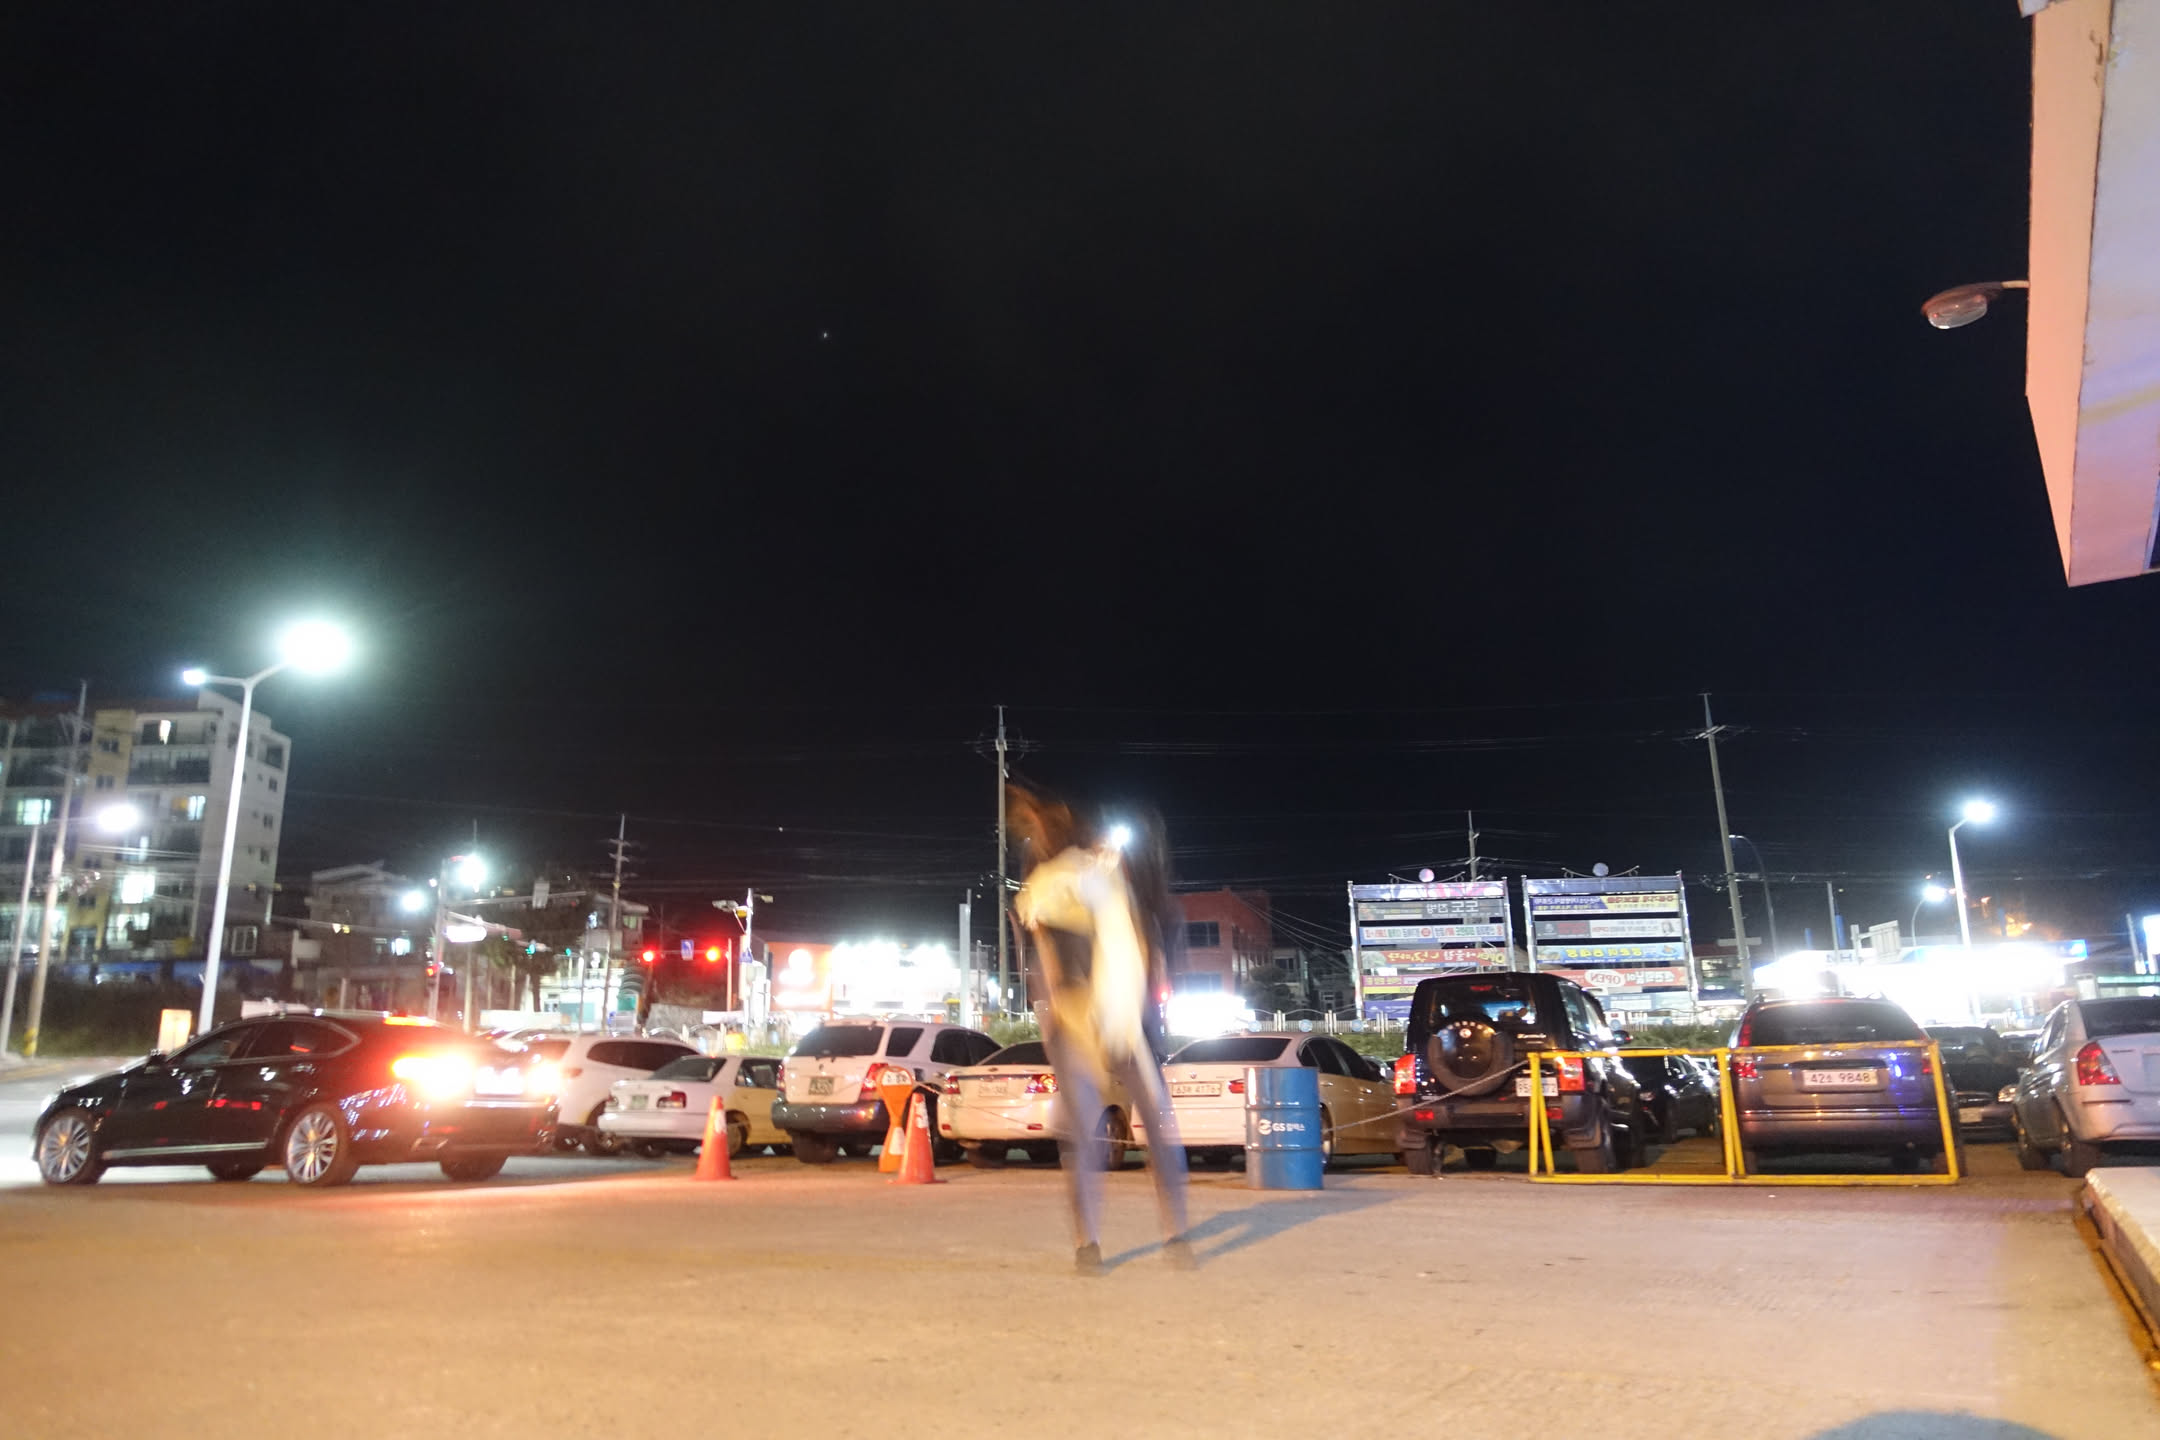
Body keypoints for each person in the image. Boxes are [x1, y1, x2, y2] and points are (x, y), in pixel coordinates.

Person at [1009, 784, 1191, 1276]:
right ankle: (1104, 1241)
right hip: (1084, 1015)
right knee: (1111, 1132)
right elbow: (1048, 957)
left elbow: (1132, 946)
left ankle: (1157, 1235)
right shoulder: (1059, 884)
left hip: (1112, 1015)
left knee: (1139, 1126)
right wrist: (1052, 1013)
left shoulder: (1097, 880)